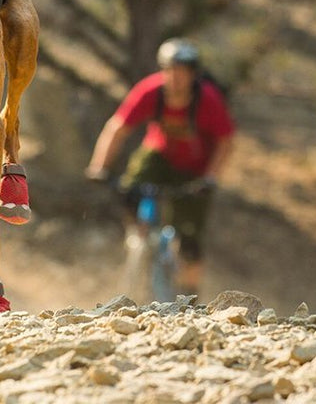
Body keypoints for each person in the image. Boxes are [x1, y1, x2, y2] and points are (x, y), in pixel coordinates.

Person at [86, 38, 235, 297]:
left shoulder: (208, 100)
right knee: (130, 186)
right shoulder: (149, 91)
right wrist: (99, 167)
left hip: (195, 170)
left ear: (192, 75)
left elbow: (225, 141)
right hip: (160, 155)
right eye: (170, 71)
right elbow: (117, 128)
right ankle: (139, 236)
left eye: (182, 73)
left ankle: (190, 295)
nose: (175, 79)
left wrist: (210, 178)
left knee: (189, 239)